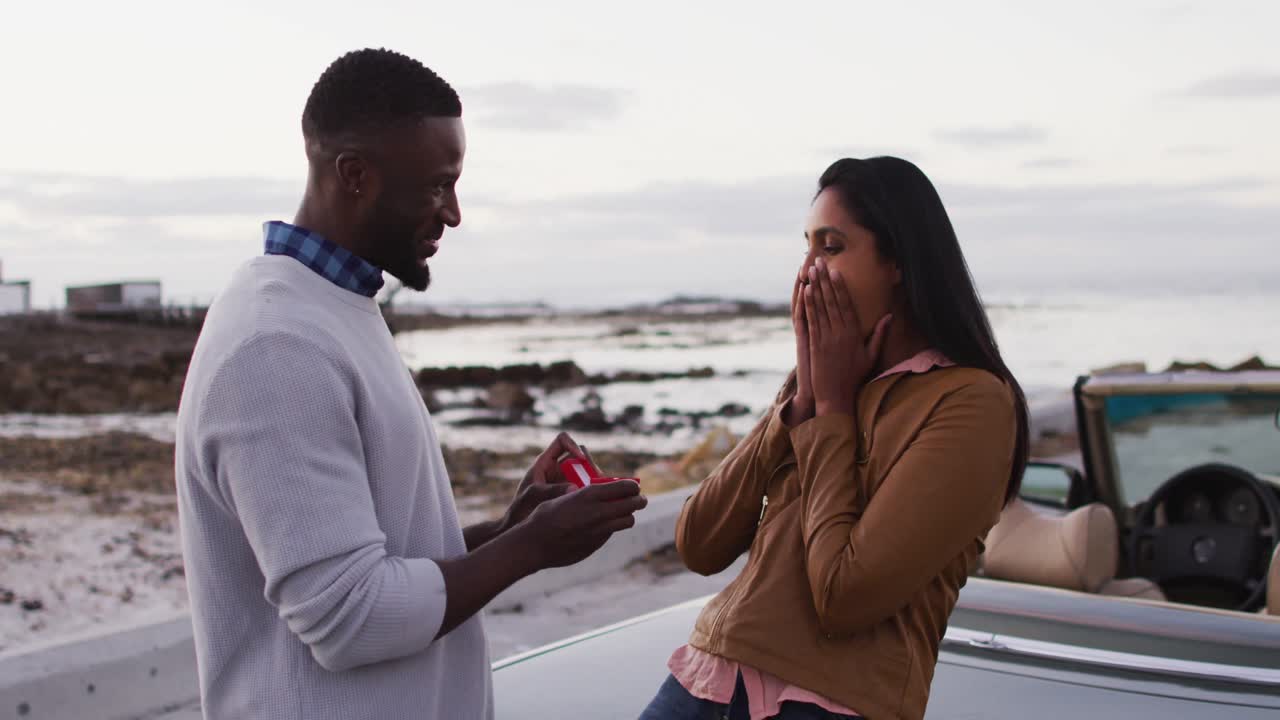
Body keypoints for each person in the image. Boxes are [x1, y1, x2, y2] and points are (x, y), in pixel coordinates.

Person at [174, 48, 646, 720]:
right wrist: (531, 546)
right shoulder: (275, 346)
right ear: (356, 175)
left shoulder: (332, 307)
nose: (452, 213)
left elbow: (383, 561)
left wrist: (507, 528)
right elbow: (348, 618)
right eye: (435, 186)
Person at [640, 157, 1028, 720]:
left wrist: (833, 411)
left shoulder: (970, 403)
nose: (806, 271)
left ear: (897, 259)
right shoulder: (821, 384)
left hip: (829, 704)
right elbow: (699, 543)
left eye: (831, 246)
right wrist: (798, 404)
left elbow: (844, 595)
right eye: (806, 247)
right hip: (704, 683)